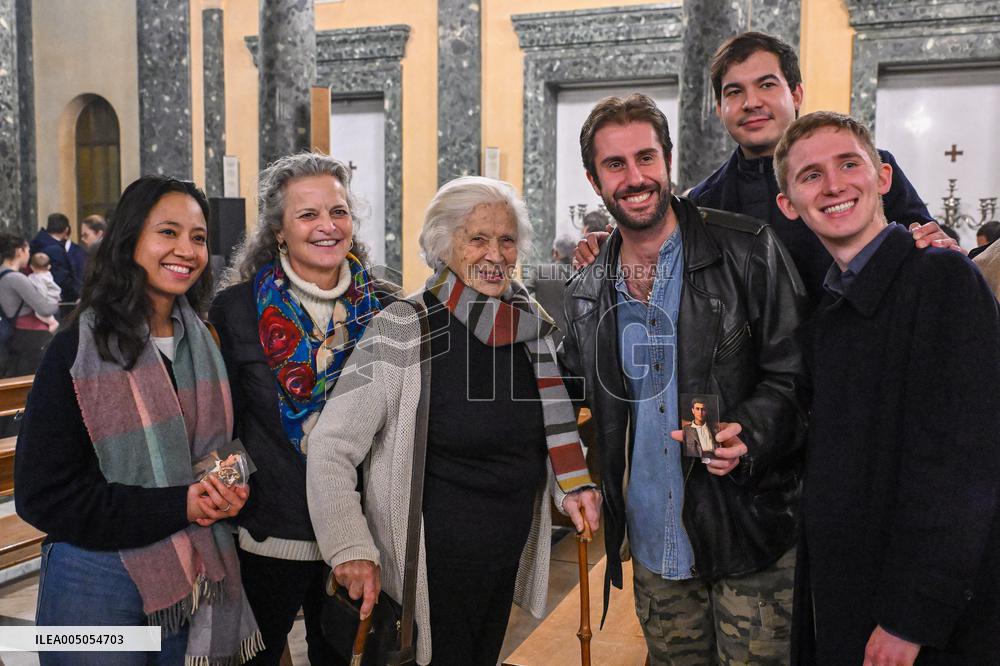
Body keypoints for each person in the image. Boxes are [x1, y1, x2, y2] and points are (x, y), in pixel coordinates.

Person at [306, 176, 601, 666]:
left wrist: (571, 487)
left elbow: (545, 433)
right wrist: (349, 546)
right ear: (445, 246)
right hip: (427, 564)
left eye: (507, 239)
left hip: (503, 551)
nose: (496, 253)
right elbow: (333, 444)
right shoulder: (403, 327)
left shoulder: (529, 328)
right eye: (477, 237)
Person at [558, 94, 808, 664]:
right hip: (652, 548)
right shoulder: (587, 289)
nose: (635, 177)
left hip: (750, 532)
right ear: (594, 181)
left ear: (668, 161)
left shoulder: (747, 250)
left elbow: (795, 378)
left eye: (646, 157)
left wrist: (752, 432)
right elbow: (562, 395)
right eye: (614, 164)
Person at [774, 111, 1000, 665]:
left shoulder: (942, 281)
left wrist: (911, 614)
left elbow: (963, 467)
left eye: (849, 164)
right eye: (810, 176)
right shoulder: (833, 304)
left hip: (915, 617)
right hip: (851, 591)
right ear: (788, 205)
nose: (833, 185)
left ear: (882, 176)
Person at [14, 175, 261, 665]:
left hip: (193, 579)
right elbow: (43, 495)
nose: (186, 250)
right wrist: (183, 505)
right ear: (130, 240)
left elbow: (223, 448)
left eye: (198, 237)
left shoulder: (207, 343)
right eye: (167, 232)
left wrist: (230, 484)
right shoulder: (79, 349)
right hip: (95, 581)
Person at [573, 32, 956, 305]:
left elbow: (924, 244)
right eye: (734, 92)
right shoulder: (706, 201)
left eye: (767, 85)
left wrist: (935, 243)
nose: (751, 102)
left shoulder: (863, 174)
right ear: (719, 108)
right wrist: (609, 248)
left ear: (796, 93)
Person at [210, 153, 386, 666]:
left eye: (338, 211)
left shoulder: (385, 309)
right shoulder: (237, 309)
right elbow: (224, 425)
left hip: (358, 537)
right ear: (280, 231)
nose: (327, 226)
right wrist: (230, 499)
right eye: (308, 215)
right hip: (270, 533)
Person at [0, 234, 59, 377]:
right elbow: (44, 308)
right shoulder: (16, 278)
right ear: (19, 251)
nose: (29, 254)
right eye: (28, 250)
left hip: (16, 336)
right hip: (31, 338)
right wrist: (56, 303)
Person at [524, 233, 576, 344]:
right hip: (574, 342)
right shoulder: (581, 276)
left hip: (546, 339)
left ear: (554, 253)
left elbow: (521, 295)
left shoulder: (541, 271)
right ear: (574, 254)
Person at [30, 212, 86, 302]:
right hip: (56, 299)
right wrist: (77, 294)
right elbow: (62, 277)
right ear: (66, 230)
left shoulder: (37, 243)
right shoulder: (56, 250)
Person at [27, 253, 61, 332]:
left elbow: (42, 291)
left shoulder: (38, 278)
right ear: (49, 266)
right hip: (54, 301)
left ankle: (52, 323)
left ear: (31, 267)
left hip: (46, 302)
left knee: (38, 314)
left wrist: (40, 303)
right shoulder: (48, 274)